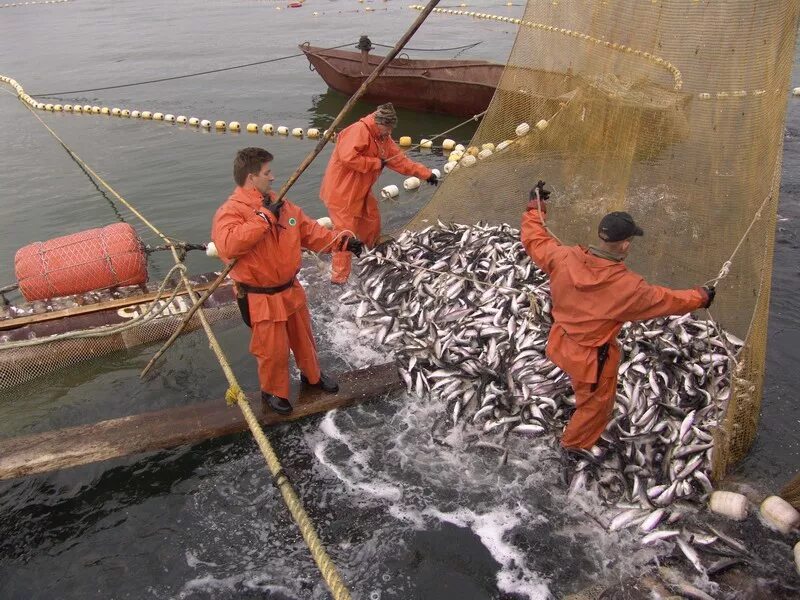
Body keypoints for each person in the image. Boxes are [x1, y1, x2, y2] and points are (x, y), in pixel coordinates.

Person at [520, 181, 714, 450]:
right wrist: (702, 297)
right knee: (596, 409)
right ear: (624, 245)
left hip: (559, 343)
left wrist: (535, 207)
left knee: (584, 390)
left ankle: (574, 411)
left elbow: (534, 239)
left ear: (601, 236)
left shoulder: (562, 257)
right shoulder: (629, 288)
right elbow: (670, 301)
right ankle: (571, 450)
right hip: (591, 361)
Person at [211, 147, 364, 416]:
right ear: (251, 177)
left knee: (304, 339)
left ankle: (312, 377)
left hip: (290, 289)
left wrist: (343, 242)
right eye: (267, 172)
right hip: (261, 296)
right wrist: (264, 217)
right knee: (273, 350)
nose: (273, 177)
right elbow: (228, 246)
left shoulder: (284, 205)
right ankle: (273, 392)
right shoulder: (230, 211)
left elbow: (311, 231)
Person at [320, 102, 437, 284]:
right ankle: (339, 278)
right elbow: (347, 157)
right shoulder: (359, 130)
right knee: (345, 234)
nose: (389, 132)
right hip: (341, 192)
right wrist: (376, 163)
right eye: (388, 128)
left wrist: (425, 174)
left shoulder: (383, 138)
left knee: (371, 220)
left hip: (361, 191)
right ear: (379, 123)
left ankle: (368, 254)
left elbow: (399, 161)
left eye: (391, 129)